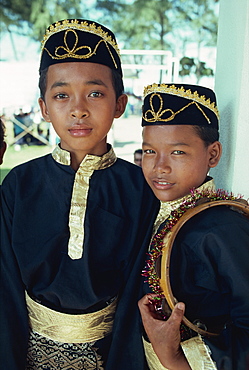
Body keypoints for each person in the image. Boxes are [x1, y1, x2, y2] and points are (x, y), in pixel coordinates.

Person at [0, 19, 160, 370]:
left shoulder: (140, 190)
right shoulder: (19, 185)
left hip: (109, 355)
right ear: (43, 108)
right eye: (61, 95)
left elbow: (138, 287)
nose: (78, 109)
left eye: (95, 93)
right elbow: (6, 291)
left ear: (119, 104)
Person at [138, 83, 249, 370]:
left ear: (213, 155)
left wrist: (173, 357)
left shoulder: (222, 228)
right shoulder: (150, 209)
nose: (159, 166)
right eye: (149, 151)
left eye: (177, 153)